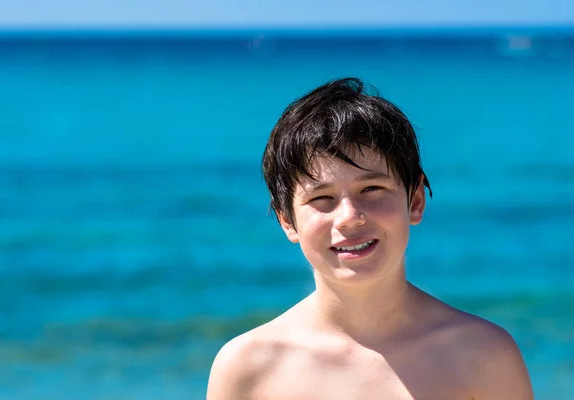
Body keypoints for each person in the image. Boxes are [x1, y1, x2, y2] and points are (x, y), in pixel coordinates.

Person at [206, 78, 533, 399]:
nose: (349, 216)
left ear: (415, 201)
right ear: (287, 221)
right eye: (322, 198)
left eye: (372, 189)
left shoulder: (483, 356)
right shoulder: (248, 368)